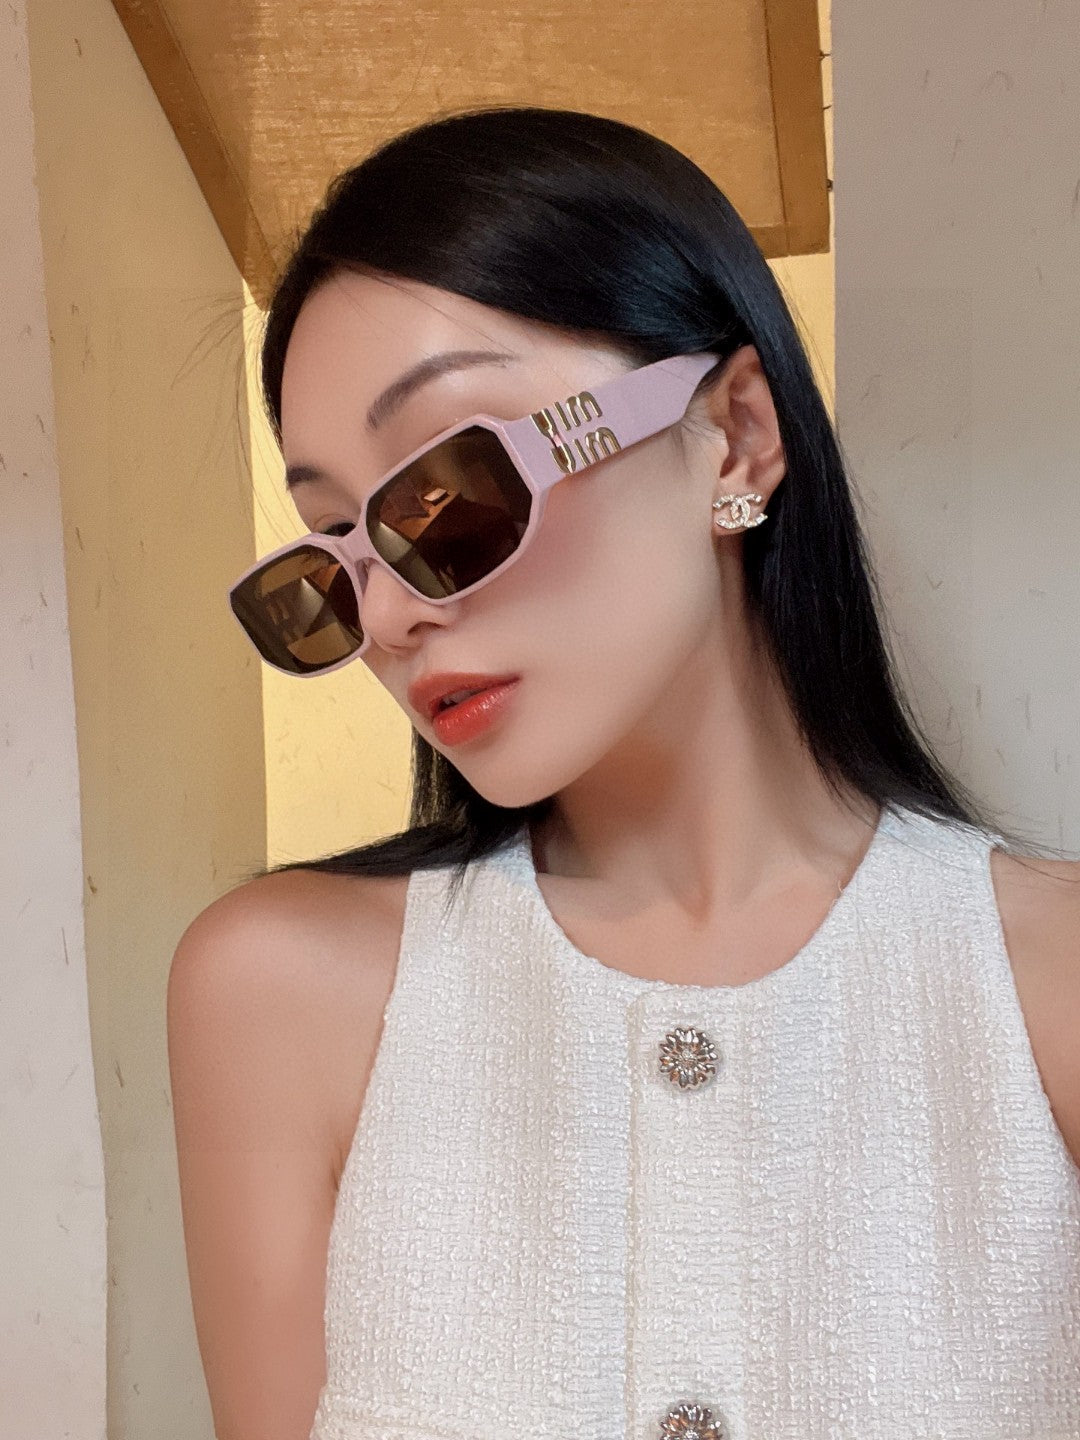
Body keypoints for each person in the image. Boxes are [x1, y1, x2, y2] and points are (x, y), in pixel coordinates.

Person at [166, 106, 1080, 1440]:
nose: (394, 616)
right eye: (331, 556)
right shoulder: (280, 993)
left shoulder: (1045, 989)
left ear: (736, 434)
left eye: (450, 495)